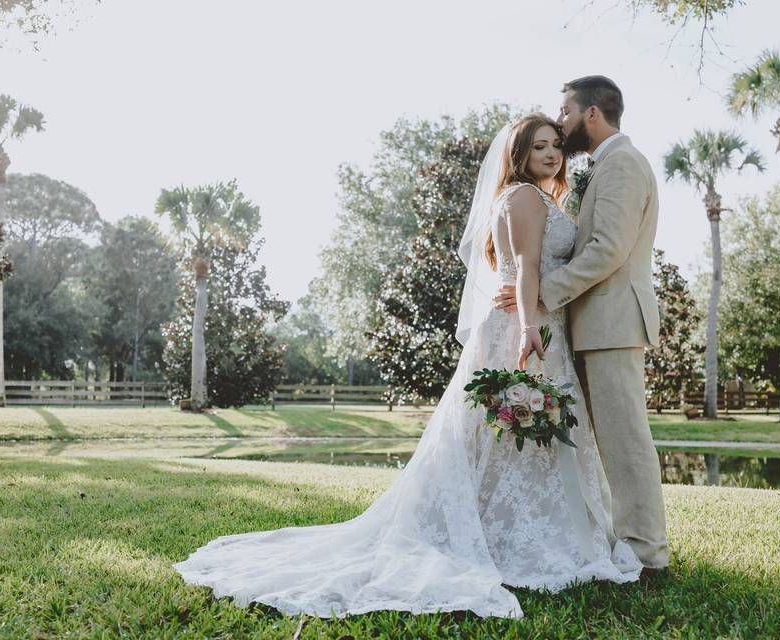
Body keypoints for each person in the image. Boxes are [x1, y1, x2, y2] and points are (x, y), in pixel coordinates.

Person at [173, 111, 642, 620]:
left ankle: (520, 530)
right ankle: (522, 539)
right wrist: (531, 327)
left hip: (527, 322)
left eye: (555, 145)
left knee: (511, 438)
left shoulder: (529, 197)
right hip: (523, 327)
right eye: (539, 148)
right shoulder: (526, 197)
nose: (551, 154)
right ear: (519, 157)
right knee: (516, 435)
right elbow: (528, 266)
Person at [496, 76, 669, 570]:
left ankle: (646, 552)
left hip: (613, 322)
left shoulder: (622, 164)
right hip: (592, 325)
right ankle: (622, 537)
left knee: (626, 439)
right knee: (607, 441)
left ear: (591, 114)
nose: (563, 123)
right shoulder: (604, 166)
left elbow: (607, 251)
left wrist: (545, 293)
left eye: (566, 113)